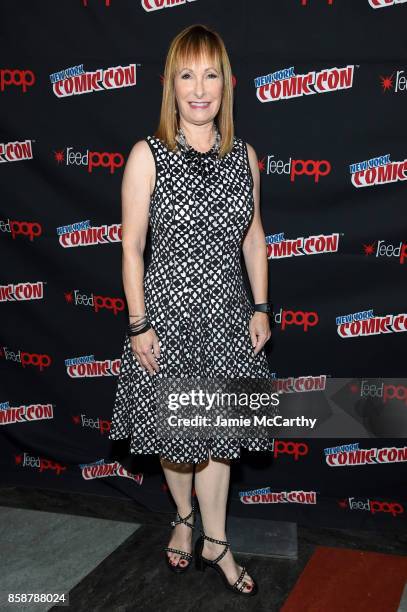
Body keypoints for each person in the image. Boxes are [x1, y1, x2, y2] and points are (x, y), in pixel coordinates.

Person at [108, 23, 273, 597]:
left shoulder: (244, 158)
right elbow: (130, 246)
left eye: (210, 74)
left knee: (219, 439)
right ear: (171, 86)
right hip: (168, 320)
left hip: (228, 319)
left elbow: (254, 239)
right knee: (179, 441)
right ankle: (182, 520)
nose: (199, 88)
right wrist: (138, 324)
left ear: (227, 85)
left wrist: (260, 306)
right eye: (186, 74)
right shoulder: (146, 156)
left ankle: (217, 540)